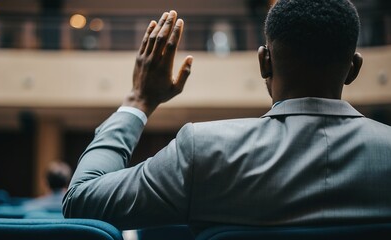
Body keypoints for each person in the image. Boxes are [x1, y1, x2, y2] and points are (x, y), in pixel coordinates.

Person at [63, 0, 391, 233]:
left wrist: (138, 101)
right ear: (354, 69)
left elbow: (81, 202)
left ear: (264, 62)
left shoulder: (203, 150)